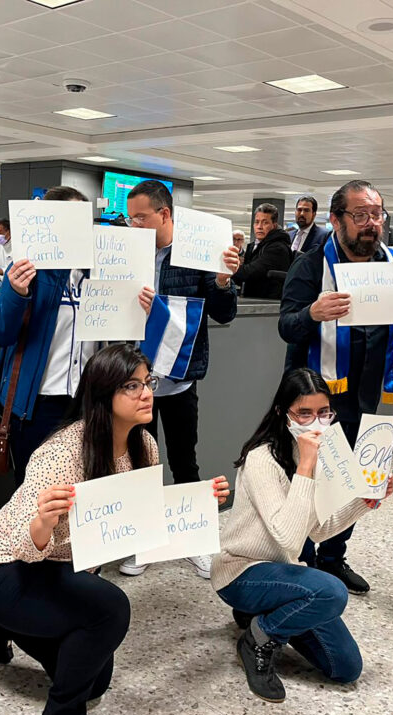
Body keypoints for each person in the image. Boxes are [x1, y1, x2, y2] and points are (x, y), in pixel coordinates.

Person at [0, 344, 231, 715]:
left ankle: (10, 626)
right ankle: (62, 714)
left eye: (148, 382)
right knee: (112, 608)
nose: (147, 393)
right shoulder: (60, 454)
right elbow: (24, 542)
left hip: (60, 566)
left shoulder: (144, 446)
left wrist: (199, 506)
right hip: (5, 566)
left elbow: (144, 524)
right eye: (132, 386)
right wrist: (44, 522)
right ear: (103, 394)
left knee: (96, 681)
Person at [212, 368, 392, 702]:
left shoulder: (315, 456)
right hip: (241, 571)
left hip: (286, 573)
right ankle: (258, 639)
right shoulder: (261, 459)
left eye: (324, 413)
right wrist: (306, 467)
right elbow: (290, 539)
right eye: (304, 414)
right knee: (332, 592)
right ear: (283, 414)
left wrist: (363, 503)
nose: (316, 423)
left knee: (345, 667)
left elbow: (318, 529)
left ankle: (262, 614)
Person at [277, 180, 393, 594]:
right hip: (314, 398)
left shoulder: (392, 266)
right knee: (306, 480)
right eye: (360, 215)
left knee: (351, 482)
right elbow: (286, 327)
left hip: (365, 397)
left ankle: (334, 558)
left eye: (377, 214)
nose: (371, 223)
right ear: (336, 220)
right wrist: (312, 314)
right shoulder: (310, 265)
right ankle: (302, 559)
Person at [0, 187, 155, 485]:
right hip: (38, 404)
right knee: (37, 490)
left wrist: (139, 312)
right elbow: (1, 334)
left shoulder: (104, 268)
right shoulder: (28, 269)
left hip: (91, 401)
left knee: (90, 485)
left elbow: (122, 346)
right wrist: (16, 293)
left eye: (82, 219)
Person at [118, 179, 240, 579]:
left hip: (179, 379)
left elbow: (224, 313)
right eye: (130, 218)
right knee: (139, 466)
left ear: (164, 214)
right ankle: (143, 542)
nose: (134, 225)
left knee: (185, 462)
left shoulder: (195, 253)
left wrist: (222, 281)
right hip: (134, 381)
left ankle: (194, 542)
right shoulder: (128, 252)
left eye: (141, 217)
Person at [232, 203, 292, 300]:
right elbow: (242, 279)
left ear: (274, 225)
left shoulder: (278, 248)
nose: (259, 226)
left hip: (268, 303)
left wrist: (227, 267)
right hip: (252, 299)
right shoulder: (253, 246)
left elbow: (250, 273)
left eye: (265, 223)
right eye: (257, 222)